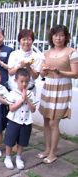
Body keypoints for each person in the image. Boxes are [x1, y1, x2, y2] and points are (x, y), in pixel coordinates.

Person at [38, 25, 78, 164]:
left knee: (55, 122)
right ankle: (47, 149)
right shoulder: (47, 52)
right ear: (51, 37)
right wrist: (43, 71)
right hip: (48, 86)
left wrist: (59, 72)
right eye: (55, 35)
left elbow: (75, 74)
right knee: (46, 120)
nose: (58, 38)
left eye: (61, 35)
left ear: (66, 37)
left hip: (62, 88)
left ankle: (53, 153)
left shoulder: (71, 52)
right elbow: (42, 71)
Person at [4, 68, 37, 170]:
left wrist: (27, 99)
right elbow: (11, 108)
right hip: (14, 121)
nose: (24, 84)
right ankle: (8, 157)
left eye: (26, 81)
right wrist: (22, 100)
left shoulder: (31, 94)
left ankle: (19, 157)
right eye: (21, 81)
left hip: (26, 121)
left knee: (22, 141)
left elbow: (33, 109)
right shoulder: (12, 93)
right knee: (10, 140)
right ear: (16, 80)